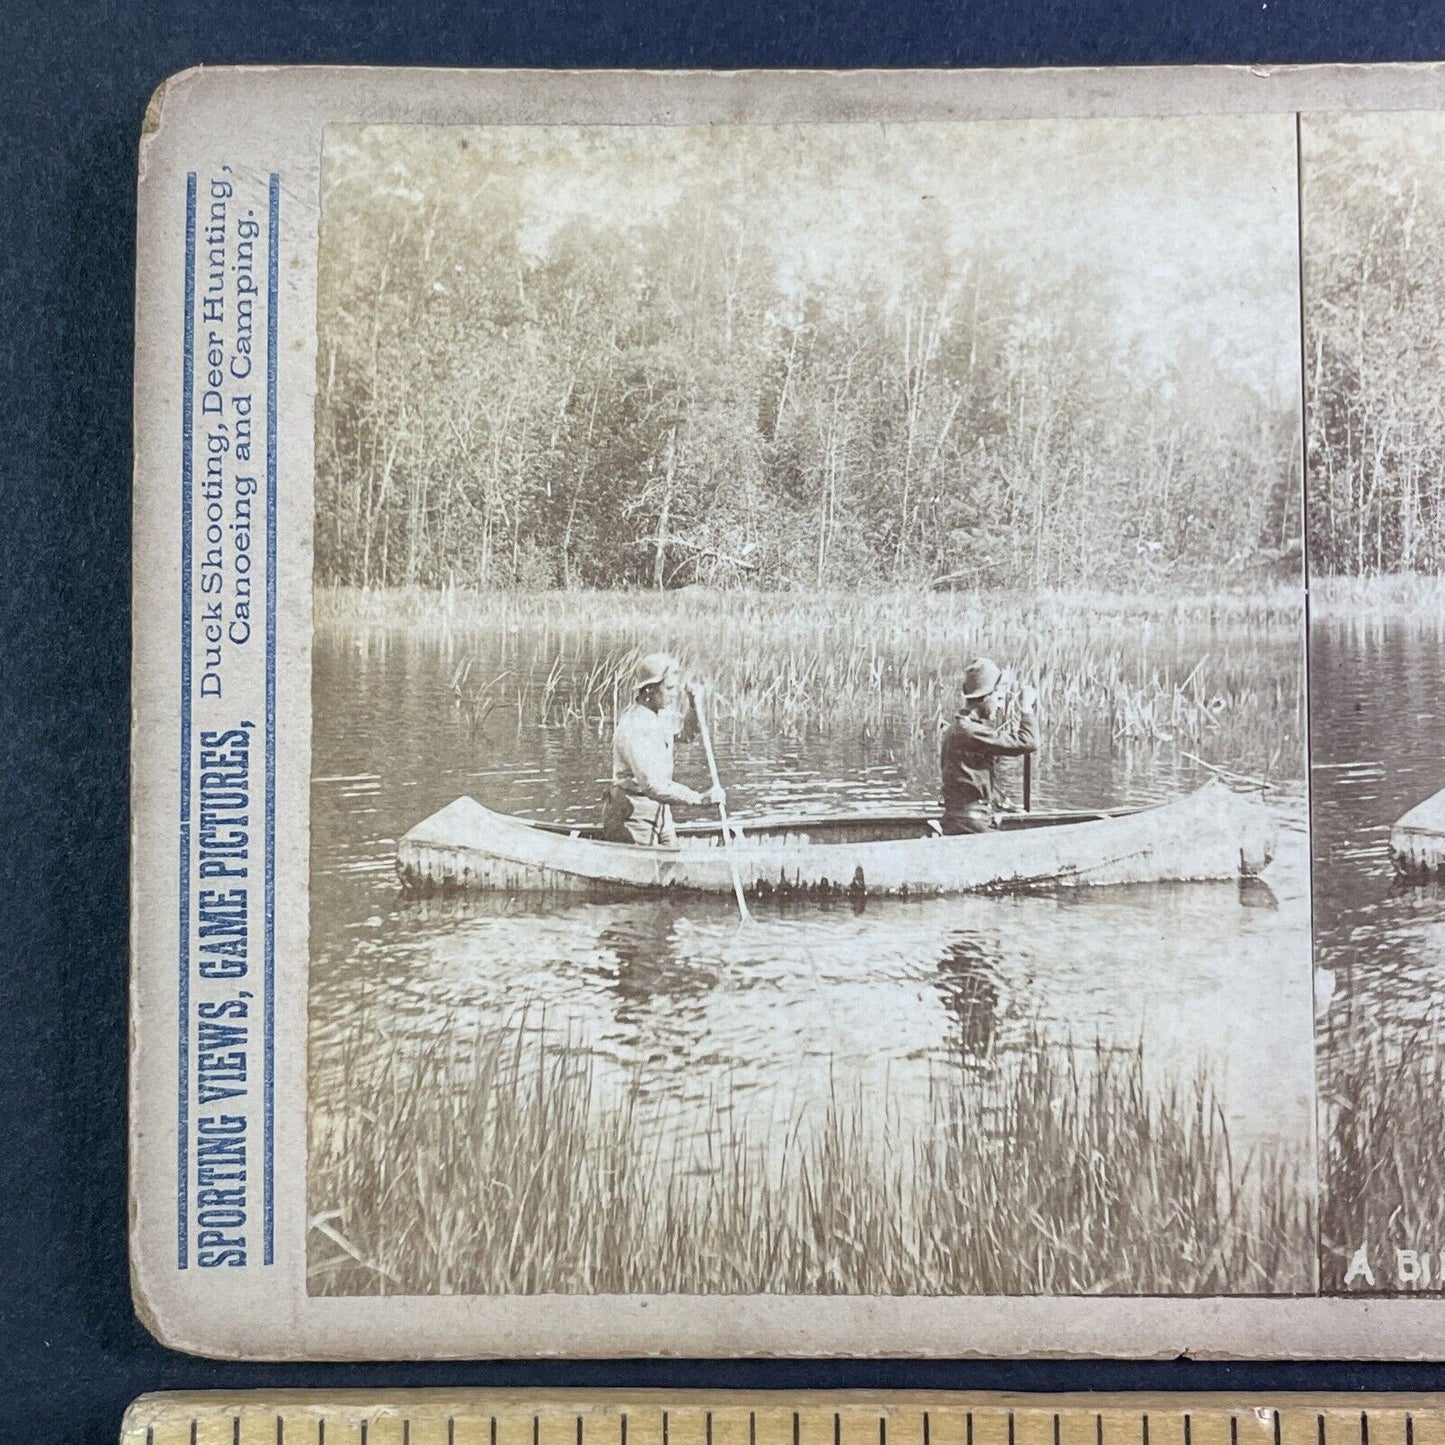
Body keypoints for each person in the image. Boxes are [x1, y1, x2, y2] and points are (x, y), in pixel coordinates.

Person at [598, 651, 726, 846]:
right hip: (632, 815)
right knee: (645, 872)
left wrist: (693, 706)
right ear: (649, 690)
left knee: (674, 868)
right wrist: (700, 799)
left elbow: (686, 734)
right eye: (669, 688)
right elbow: (652, 786)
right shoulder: (634, 727)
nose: (675, 694)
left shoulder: (661, 715)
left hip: (660, 811)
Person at [939, 657, 1039, 835]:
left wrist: (1005, 804)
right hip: (970, 823)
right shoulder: (971, 732)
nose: (1001, 705)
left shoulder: (959, 728)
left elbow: (974, 783)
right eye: (998, 698)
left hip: (964, 819)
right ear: (985, 697)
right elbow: (1028, 742)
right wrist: (1026, 710)